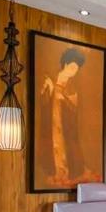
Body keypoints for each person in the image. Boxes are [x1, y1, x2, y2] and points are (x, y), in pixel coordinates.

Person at [40, 47, 94, 186]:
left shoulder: (72, 84)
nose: (73, 71)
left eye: (76, 69)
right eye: (72, 67)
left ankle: (66, 170)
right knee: (53, 144)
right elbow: (43, 99)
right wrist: (50, 90)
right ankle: (56, 170)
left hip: (65, 121)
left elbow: (74, 106)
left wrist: (62, 98)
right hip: (52, 118)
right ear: (65, 64)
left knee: (66, 144)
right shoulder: (52, 77)